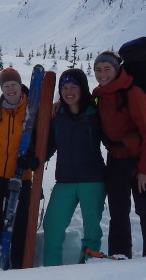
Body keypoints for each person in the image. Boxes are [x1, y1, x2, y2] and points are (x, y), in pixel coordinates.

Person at [92, 51, 146, 257]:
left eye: (107, 69)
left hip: (140, 159)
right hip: (115, 159)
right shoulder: (99, 94)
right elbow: (85, 107)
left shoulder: (133, 93)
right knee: (118, 212)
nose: (102, 74)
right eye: (98, 69)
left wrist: (145, 170)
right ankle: (119, 254)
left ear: (117, 69)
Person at [42, 68, 106, 266]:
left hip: (93, 180)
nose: (68, 91)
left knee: (92, 230)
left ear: (82, 89)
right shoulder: (57, 114)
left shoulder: (96, 112)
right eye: (64, 88)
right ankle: (50, 270)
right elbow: (49, 145)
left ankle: (87, 267)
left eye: (73, 87)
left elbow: (114, 137)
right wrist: (35, 157)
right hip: (65, 180)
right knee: (53, 226)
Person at [0, 67, 36, 270]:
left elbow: (42, 136)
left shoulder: (32, 107)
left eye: (13, 85)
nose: (10, 89)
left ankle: (19, 261)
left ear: (20, 86)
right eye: (6, 86)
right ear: (1, 88)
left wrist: (34, 156)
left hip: (22, 173)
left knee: (20, 220)